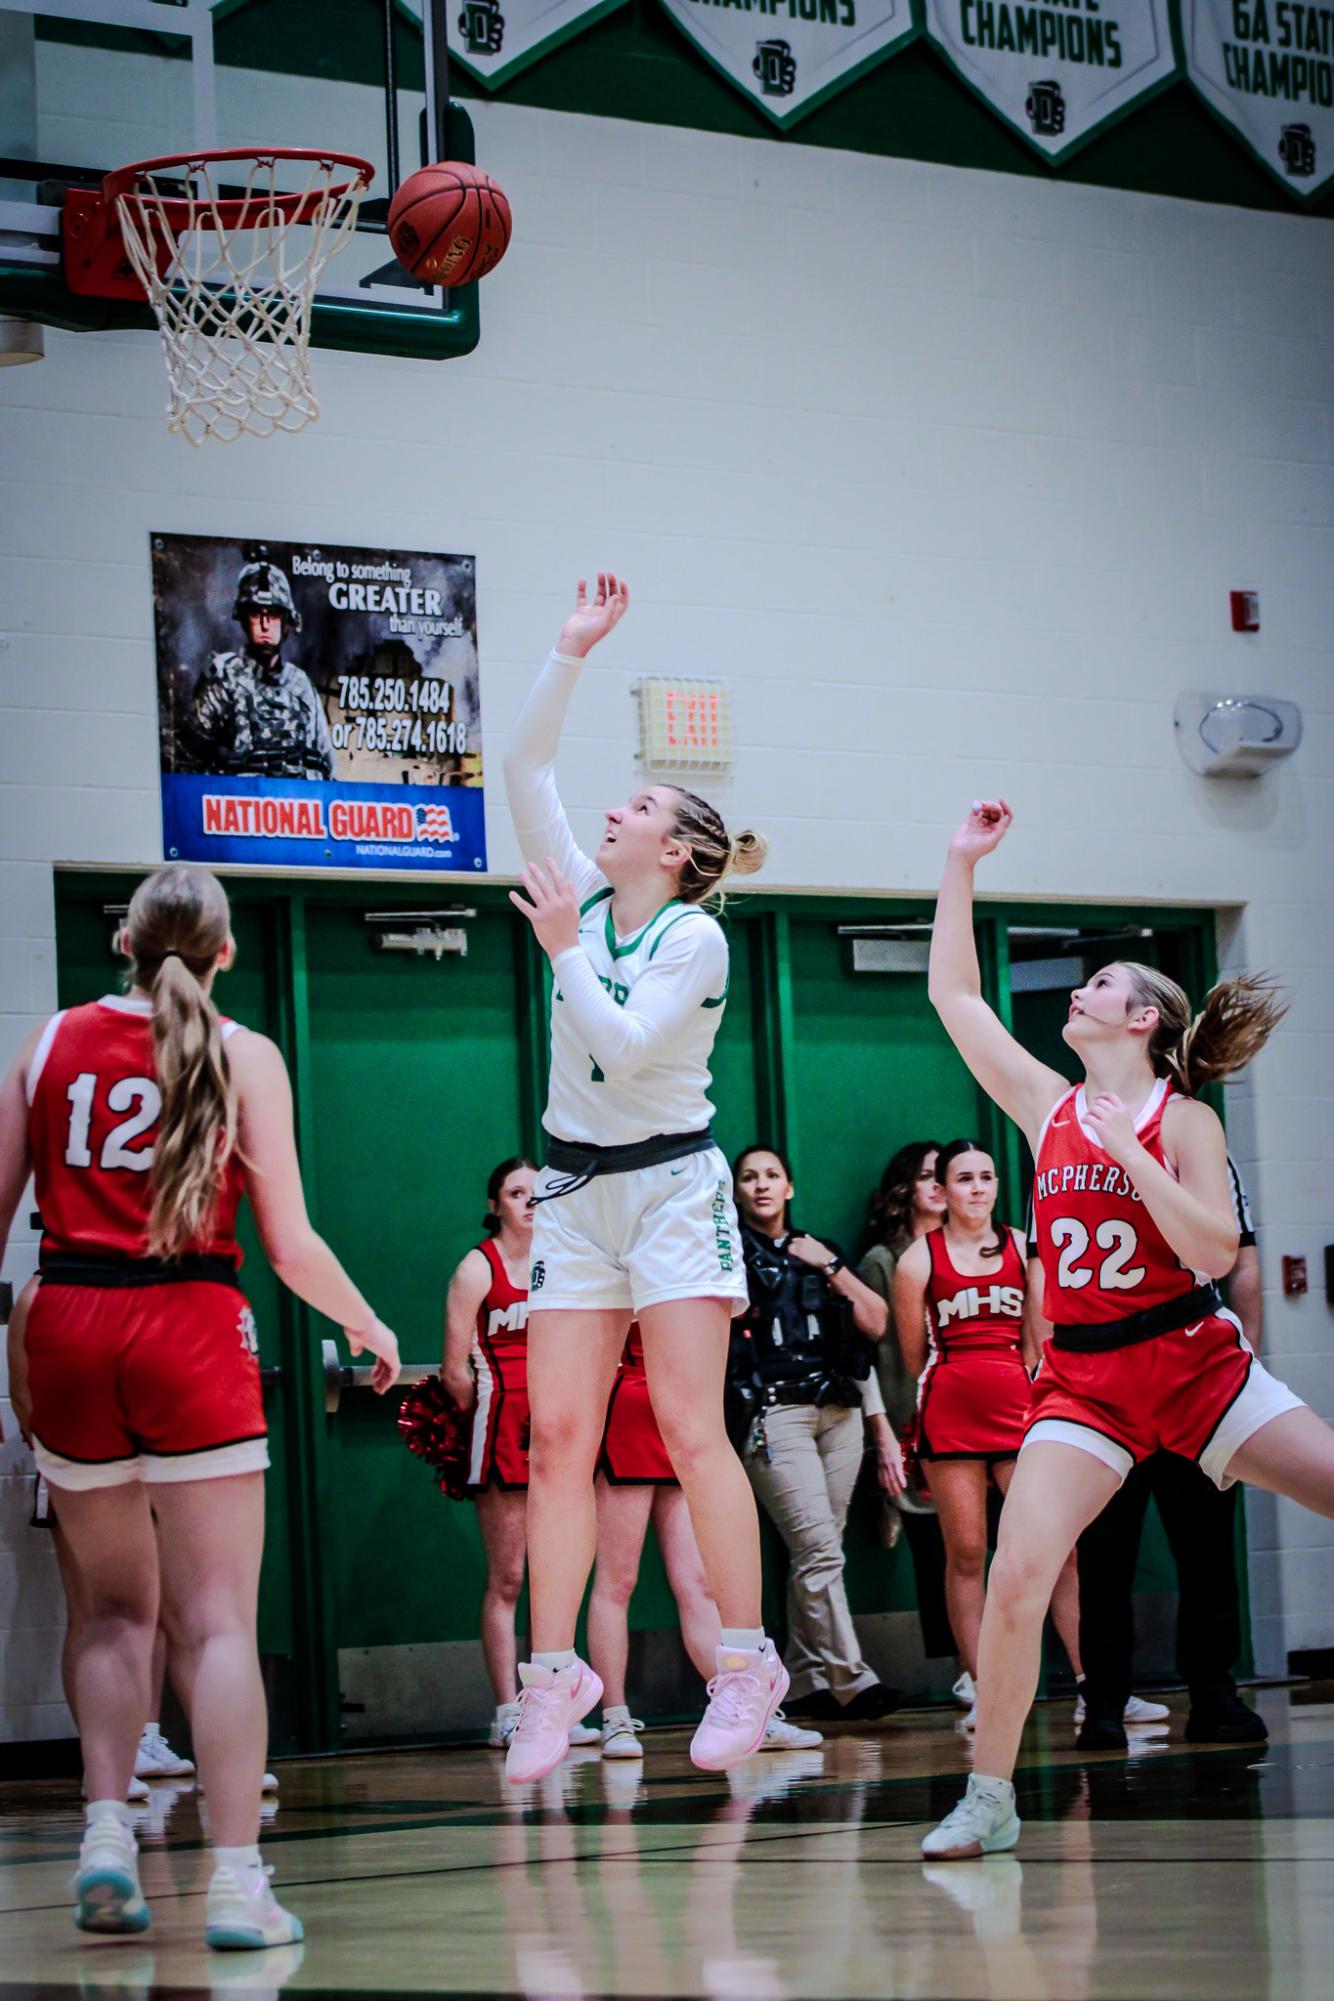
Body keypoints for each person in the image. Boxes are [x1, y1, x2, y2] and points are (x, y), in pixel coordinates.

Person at [920, 799, 1329, 1862]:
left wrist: (1135, 1159)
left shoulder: (1180, 1120)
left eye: (1104, 982)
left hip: (1195, 1365)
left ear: (1143, 1018)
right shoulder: (1044, 1105)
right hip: (1087, 1382)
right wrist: (959, 863)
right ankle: (990, 1796)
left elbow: (1209, 1250)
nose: (1083, 987)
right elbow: (953, 994)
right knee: (1015, 1575)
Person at [0, 863, 400, 1943]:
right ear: (225, 952)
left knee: (115, 1612)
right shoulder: (242, 1053)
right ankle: (234, 1884)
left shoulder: (44, 1045)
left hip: (70, 1322)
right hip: (188, 1325)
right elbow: (291, 1244)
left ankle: (102, 1833)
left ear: (120, 941)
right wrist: (368, 1323)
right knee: (215, 1621)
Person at [501, 572, 784, 1784]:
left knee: (684, 1427)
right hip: (574, 1192)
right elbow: (522, 772)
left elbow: (618, 1046)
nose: (605, 813)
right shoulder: (587, 887)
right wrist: (567, 653)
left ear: (671, 849)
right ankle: (551, 1676)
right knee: (556, 1438)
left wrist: (564, 952)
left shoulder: (690, 934)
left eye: (633, 805)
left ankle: (745, 1662)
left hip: (671, 1188)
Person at [1072, 1153, 1268, 1749]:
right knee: (1106, 1556)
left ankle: (1205, 1695)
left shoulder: (1196, 1145)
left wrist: (1244, 1367)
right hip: (1109, 1383)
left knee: (1202, 1552)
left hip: (1191, 1378)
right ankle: (1108, 1703)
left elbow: (1245, 1261)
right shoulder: (1070, 1142)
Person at [892, 1138, 1084, 1727]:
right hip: (949, 1414)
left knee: (1055, 1549)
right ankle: (984, 1690)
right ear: (943, 1190)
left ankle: (1090, 1682)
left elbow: (1038, 1342)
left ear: (998, 1186)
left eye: (986, 1177)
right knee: (968, 1552)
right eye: (964, 1178)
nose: (977, 1187)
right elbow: (911, 1356)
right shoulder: (916, 1261)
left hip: (1017, 1410)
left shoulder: (1025, 1250)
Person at [588, 1323, 822, 1758]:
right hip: (626, 1408)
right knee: (617, 1579)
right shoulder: (606, 1264)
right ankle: (615, 1719)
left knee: (698, 1582)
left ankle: (746, 1712)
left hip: (682, 1413)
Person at [730, 1144, 904, 1723]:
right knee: (819, 1549)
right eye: (749, 1177)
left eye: (771, 1176)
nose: (761, 1185)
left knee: (819, 1550)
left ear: (790, 1187)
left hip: (839, 1410)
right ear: (735, 1191)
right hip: (774, 1412)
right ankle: (853, 1678)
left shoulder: (819, 1249)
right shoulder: (726, 1254)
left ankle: (806, 1678)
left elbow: (876, 1323)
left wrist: (829, 1268)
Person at [440, 1154, 598, 1755]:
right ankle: (507, 1709)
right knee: (509, 1577)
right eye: (515, 1192)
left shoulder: (566, 1264)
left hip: (562, 1428)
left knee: (557, 1576)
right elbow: (455, 1372)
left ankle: (550, 1702)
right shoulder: (476, 1270)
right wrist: (494, 1411)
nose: (529, 1202)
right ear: (494, 1204)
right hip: (503, 1426)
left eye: (538, 1192)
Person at [859, 1143, 963, 1692]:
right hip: (913, 1422)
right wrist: (886, 1442)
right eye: (927, 1176)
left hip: (975, 1414)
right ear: (906, 1188)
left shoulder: (980, 1251)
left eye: (943, 1175)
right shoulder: (884, 1259)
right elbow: (870, 1358)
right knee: (939, 1552)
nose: (938, 1186)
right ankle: (965, 1672)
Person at [179, 556, 334, 780]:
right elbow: (188, 761)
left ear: (286, 621)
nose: (264, 624)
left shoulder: (300, 686)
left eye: (272, 614)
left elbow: (326, 765)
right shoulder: (225, 680)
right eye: (256, 614)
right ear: (243, 619)